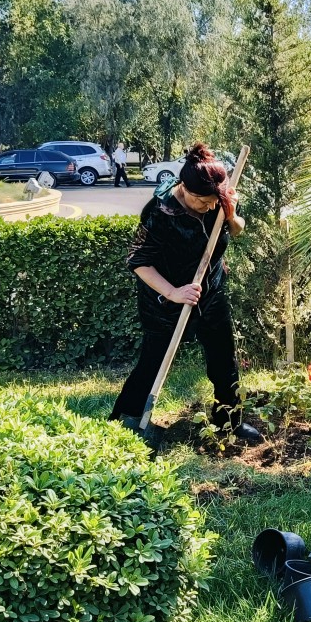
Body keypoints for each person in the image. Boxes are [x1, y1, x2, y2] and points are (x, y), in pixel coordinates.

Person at [110, 143, 261, 444]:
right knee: (153, 361)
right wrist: (173, 292)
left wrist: (230, 215)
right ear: (184, 188)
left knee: (223, 358)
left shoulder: (218, 199)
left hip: (210, 292)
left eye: (211, 203)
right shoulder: (159, 211)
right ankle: (126, 420)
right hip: (164, 301)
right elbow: (138, 260)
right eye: (201, 202)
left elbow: (238, 229)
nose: (207, 208)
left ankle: (229, 421)